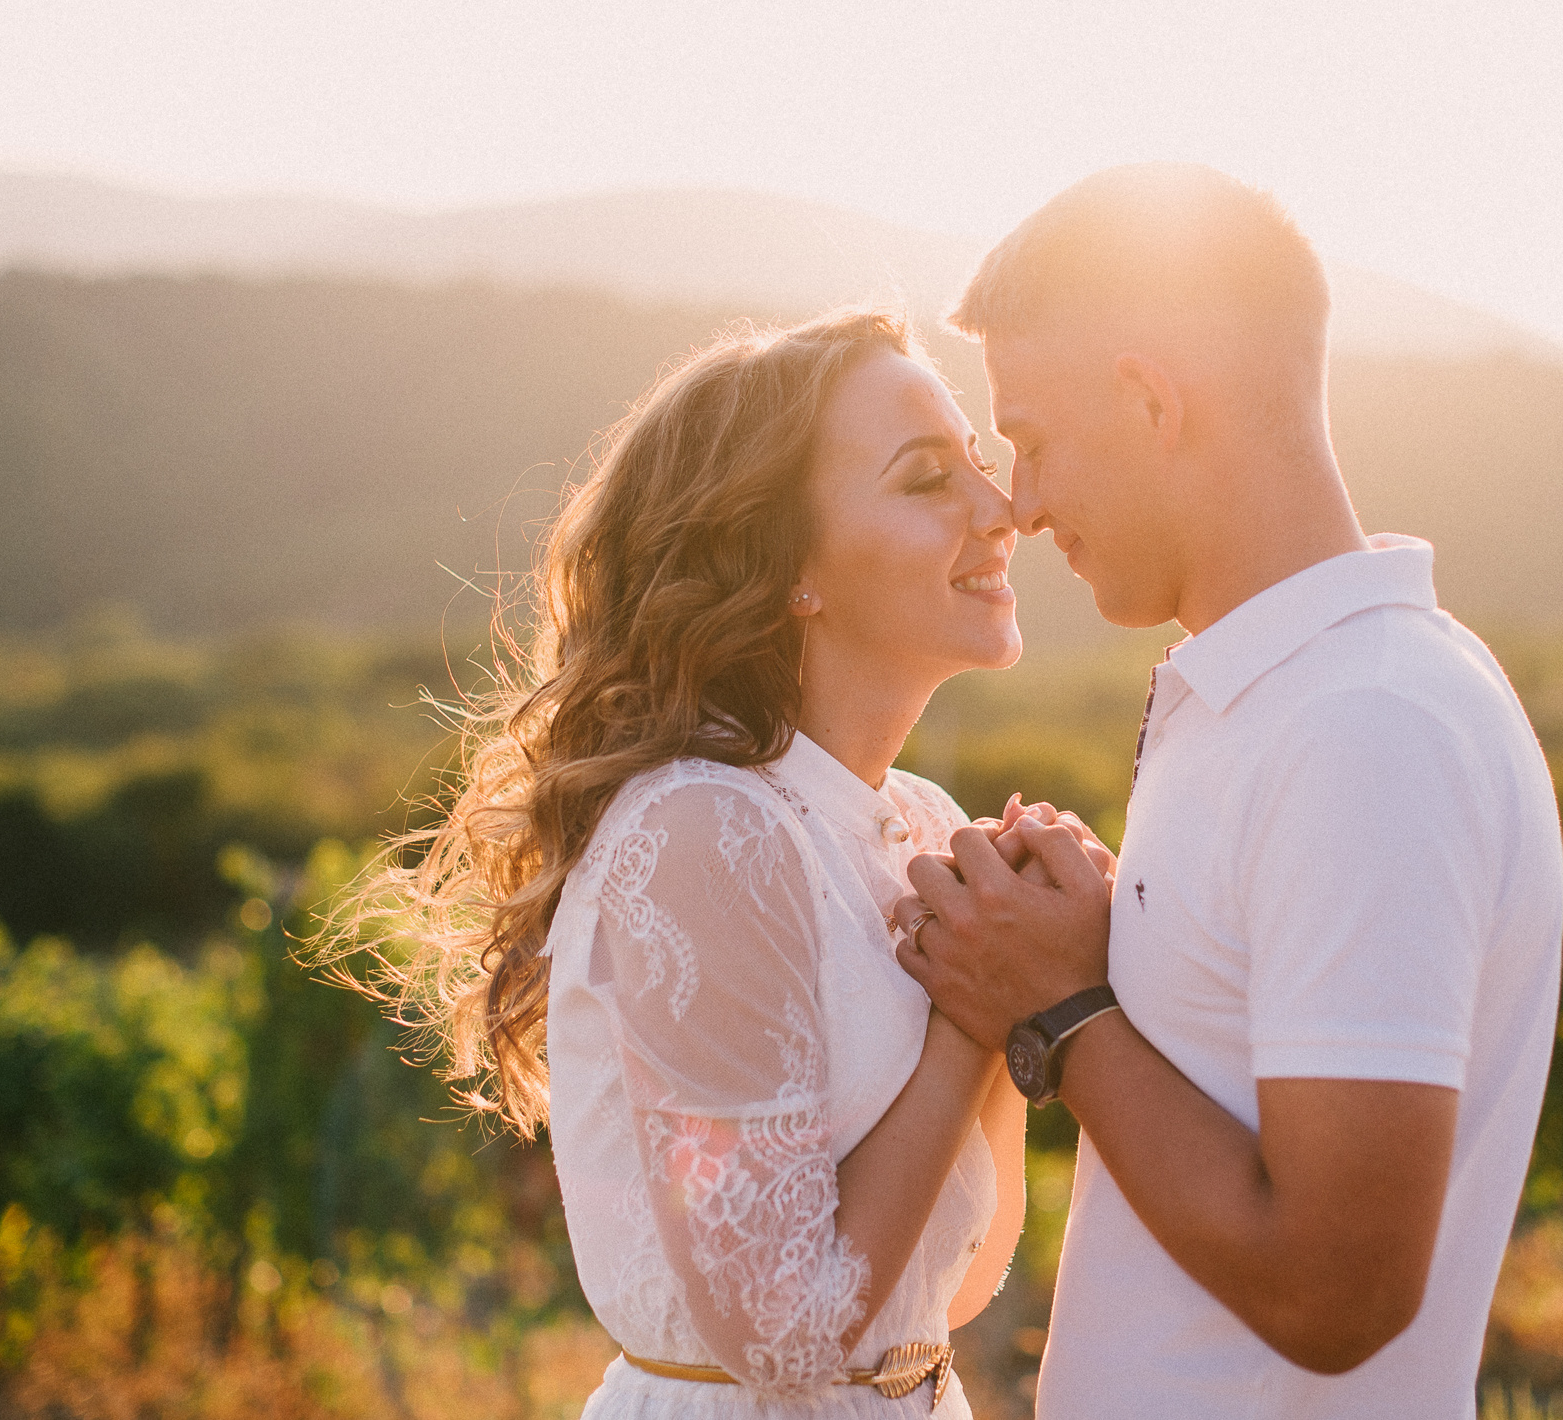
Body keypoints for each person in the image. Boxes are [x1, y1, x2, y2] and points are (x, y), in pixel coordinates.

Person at [321, 309, 1089, 1416]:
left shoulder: (920, 821)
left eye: (977, 461)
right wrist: (969, 1016)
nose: (999, 508)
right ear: (785, 568)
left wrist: (1019, 981)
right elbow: (785, 1339)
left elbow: (955, 1286)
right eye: (927, 479)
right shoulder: (701, 830)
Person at [894, 164, 1563, 1418]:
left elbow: (1336, 1294)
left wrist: (1059, 1007)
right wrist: (1104, 951)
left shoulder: (1364, 727)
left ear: (1148, 399)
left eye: (1031, 442)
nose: (1021, 505)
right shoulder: (1268, 698)